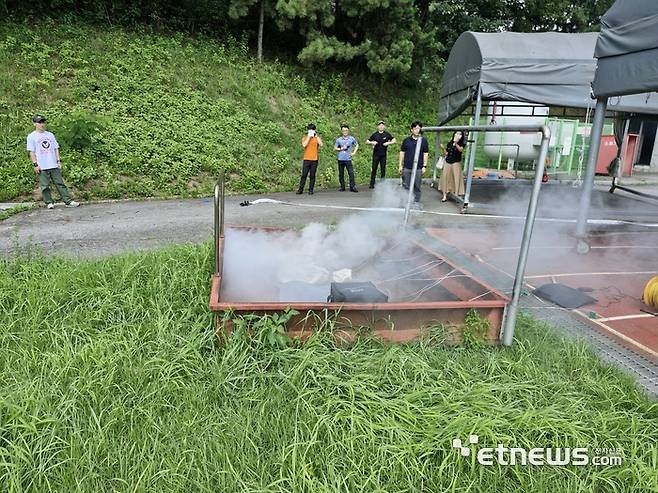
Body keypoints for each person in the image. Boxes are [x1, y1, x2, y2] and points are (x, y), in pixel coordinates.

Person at [27, 115, 80, 209]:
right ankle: (49, 202)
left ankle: (68, 201)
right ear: (34, 124)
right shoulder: (31, 136)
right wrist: (35, 164)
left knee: (60, 183)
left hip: (53, 164)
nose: (42, 124)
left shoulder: (50, 135)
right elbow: (32, 152)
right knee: (45, 186)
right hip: (42, 165)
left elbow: (56, 148)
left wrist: (58, 161)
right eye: (40, 122)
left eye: (43, 122)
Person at [399, 121, 429, 206]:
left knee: (417, 186)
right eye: (415, 128)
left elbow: (425, 154)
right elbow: (402, 152)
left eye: (419, 128)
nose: (417, 130)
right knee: (405, 185)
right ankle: (405, 202)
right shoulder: (406, 141)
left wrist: (424, 166)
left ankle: (416, 202)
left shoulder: (423, 141)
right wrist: (400, 165)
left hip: (418, 168)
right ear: (412, 130)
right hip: (407, 167)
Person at [365, 120, 396, 189]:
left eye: (382, 125)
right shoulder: (375, 134)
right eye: (380, 125)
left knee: (383, 170)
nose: (381, 126)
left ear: (384, 126)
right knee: (374, 169)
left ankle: (382, 184)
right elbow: (367, 141)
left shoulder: (387, 134)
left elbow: (394, 140)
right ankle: (372, 184)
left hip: (383, 155)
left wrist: (388, 143)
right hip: (376, 155)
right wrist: (372, 143)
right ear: (377, 126)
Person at [439, 131, 466, 202]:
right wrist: (443, 148)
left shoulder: (462, 143)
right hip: (447, 162)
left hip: (456, 163)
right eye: (457, 133)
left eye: (460, 134)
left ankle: (456, 195)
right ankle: (444, 195)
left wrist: (456, 143)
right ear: (454, 134)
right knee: (445, 177)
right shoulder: (449, 143)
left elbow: (460, 150)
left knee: (456, 178)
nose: (458, 135)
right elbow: (446, 153)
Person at [296, 123, 323, 195]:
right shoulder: (305, 137)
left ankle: (311, 190)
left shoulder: (316, 138)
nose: (311, 131)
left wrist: (316, 136)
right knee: (304, 175)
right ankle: (300, 189)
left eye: (312, 130)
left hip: (314, 159)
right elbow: (304, 144)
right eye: (310, 130)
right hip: (306, 159)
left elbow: (321, 144)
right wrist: (309, 136)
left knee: (312, 175)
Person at [334, 124, 359, 192]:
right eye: (343, 131)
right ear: (342, 131)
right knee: (341, 173)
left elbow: (357, 145)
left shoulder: (351, 138)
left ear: (348, 131)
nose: (345, 132)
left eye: (346, 130)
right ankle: (342, 187)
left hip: (348, 158)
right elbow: (335, 148)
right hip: (340, 158)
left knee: (351, 173)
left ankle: (352, 187)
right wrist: (341, 148)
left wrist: (354, 152)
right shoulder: (339, 140)